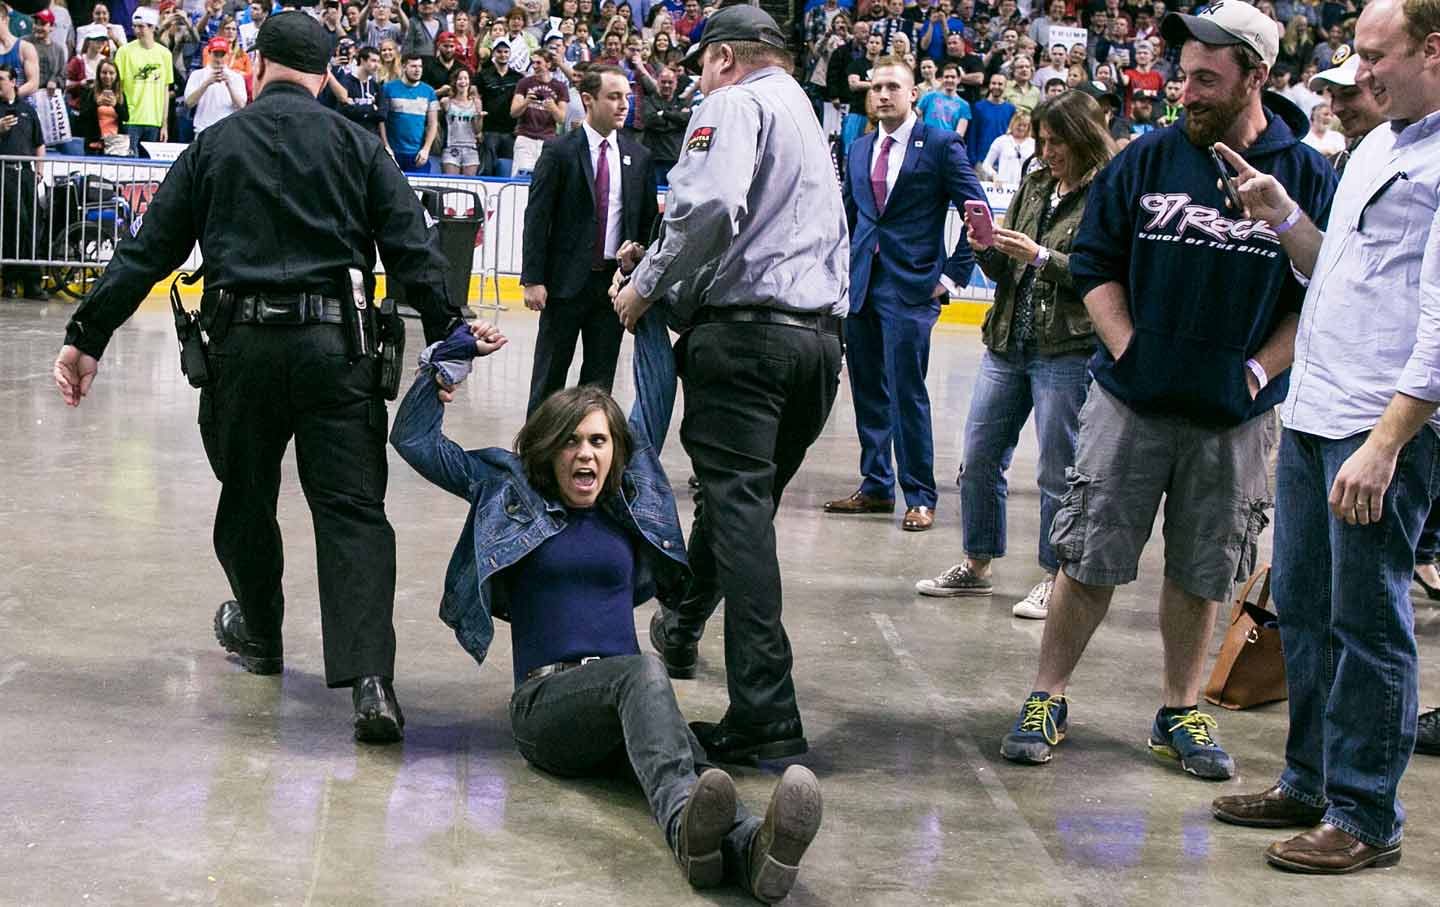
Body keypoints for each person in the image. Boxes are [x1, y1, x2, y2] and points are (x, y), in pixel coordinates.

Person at [50, 11, 466, 744]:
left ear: (258, 63)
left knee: (246, 499)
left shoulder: (214, 146)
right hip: (337, 350)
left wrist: (88, 335)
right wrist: (449, 337)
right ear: (326, 69)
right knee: (351, 510)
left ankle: (263, 636)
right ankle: (370, 681)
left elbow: (146, 252)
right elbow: (411, 246)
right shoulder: (355, 145)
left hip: (238, 349)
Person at [997, 0, 1338, 780]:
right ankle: (1047, 693)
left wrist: (1257, 371)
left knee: (1205, 569)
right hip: (1130, 403)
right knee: (1085, 557)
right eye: (1184, 77)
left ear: (1257, 76)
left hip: (1236, 417)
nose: (1187, 93)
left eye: (1207, 80)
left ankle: (1180, 708)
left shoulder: (1305, 172)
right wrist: (1128, 349)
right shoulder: (1147, 158)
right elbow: (1093, 262)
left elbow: (1316, 296)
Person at [390, 304, 822, 906]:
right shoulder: (506, 487)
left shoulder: (629, 502)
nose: (585, 454)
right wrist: (454, 355)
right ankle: (695, 835)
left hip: (624, 704)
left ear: (615, 451)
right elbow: (412, 439)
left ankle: (752, 851)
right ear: (547, 449)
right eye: (570, 442)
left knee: (686, 769)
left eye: (597, 441)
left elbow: (653, 390)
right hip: (546, 708)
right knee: (647, 676)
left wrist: (641, 306)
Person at [1207, 0, 1440, 873]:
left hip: (1378, 428)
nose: (1362, 73)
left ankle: (1367, 813)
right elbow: (1327, 270)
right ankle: (1309, 780)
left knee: (1367, 622)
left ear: (1432, 49)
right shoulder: (1380, 144)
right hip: (1313, 416)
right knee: (1303, 611)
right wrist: (1281, 215)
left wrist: (1387, 443)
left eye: (1378, 56)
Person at [617, 5, 849, 763]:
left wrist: (647, 285)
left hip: (747, 340)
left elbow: (708, 203)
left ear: (722, 58)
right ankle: (682, 622)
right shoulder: (806, 116)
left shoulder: (732, 101)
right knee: (736, 504)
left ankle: (767, 710)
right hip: (816, 343)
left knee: (741, 515)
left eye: (699, 65)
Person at [916, 90, 1114, 618]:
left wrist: (1042, 257)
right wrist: (987, 249)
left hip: (1067, 349)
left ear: (1084, 138)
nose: (1047, 152)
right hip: (1006, 340)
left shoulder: (1108, 192)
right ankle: (976, 563)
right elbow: (1007, 272)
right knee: (978, 458)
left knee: (1057, 470)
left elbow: (1105, 276)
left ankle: (1056, 576)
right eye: (1043, 141)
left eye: (1058, 143)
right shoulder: (1036, 182)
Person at [824, 56, 986, 532]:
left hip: (912, 289)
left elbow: (976, 215)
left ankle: (920, 494)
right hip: (863, 287)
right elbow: (851, 221)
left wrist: (952, 277)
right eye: (875, 88)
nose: (882, 95)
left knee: (907, 394)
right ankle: (876, 485)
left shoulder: (939, 144)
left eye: (893, 86)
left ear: (914, 93)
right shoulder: (857, 147)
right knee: (869, 391)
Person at [521, 64, 655, 412]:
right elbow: (537, 218)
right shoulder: (559, 151)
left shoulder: (639, 158)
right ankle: (535, 455)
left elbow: (646, 225)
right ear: (587, 100)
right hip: (563, 284)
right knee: (549, 376)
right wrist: (533, 279)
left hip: (612, 288)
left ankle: (587, 451)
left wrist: (639, 257)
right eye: (613, 97)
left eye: (627, 97)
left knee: (598, 383)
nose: (624, 104)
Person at [0, 62, 45, 300]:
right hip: (4, 173)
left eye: (1, 79)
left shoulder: (28, 110)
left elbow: (39, 142)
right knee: (11, 224)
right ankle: (10, 279)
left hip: (26, 173)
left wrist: (39, 168)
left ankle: (33, 281)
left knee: (31, 225)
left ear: (12, 81)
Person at [114, 7, 172, 150]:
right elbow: (118, 87)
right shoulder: (124, 52)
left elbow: (165, 91)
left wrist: (164, 124)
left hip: (154, 120)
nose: (137, 30)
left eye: (141, 26)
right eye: (134, 26)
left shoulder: (165, 54)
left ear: (152, 27)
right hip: (131, 119)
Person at [510, 47, 566, 173]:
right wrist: (526, 102)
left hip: (548, 140)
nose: (534, 66)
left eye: (538, 63)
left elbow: (561, 119)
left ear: (549, 64)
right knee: (521, 180)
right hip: (525, 138)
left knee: (545, 180)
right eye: (533, 62)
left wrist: (553, 108)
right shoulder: (524, 83)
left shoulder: (560, 87)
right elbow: (513, 113)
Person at [380, 53, 439, 172]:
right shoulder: (388, 88)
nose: (417, 70)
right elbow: (381, 120)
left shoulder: (429, 92)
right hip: (393, 152)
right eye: (413, 66)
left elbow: (433, 124)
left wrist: (426, 149)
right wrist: (386, 146)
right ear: (403, 67)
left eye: (420, 67)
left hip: (417, 154)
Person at [183, 36, 246, 132]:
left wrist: (229, 85)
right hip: (203, 129)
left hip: (227, 131)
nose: (219, 59)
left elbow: (242, 105)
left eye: (222, 54)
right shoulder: (197, 75)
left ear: (228, 55)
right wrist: (206, 84)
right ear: (209, 53)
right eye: (216, 54)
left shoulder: (236, 77)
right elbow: (189, 103)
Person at [641, 64, 689, 184]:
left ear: (676, 84)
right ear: (657, 82)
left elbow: (687, 119)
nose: (666, 85)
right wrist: (676, 121)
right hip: (654, 159)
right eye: (663, 82)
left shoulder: (682, 103)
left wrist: (664, 114)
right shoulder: (648, 101)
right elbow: (650, 120)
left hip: (675, 160)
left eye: (670, 82)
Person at [477, 38, 519, 171]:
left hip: (510, 131)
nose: (503, 55)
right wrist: (479, 129)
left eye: (506, 51)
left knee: (507, 170)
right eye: (499, 51)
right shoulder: (483, 76)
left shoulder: (518, 77)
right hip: (489, 130)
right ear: (494, 53)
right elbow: (477, 100)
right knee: (487, 169)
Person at [75, 57, 128, 154]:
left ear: (116, 75)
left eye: (111, 73)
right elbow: (82, 117)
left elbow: (126, 117)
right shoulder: (89, 92)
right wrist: (96, 104)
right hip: (95, 143)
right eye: (104, 73)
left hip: (115, 143)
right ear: (99, 74)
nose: (108, 76)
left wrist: (116, 105)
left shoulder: (120, 94)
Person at [842, 27, 882, 151]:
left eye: (877, 43)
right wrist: (876, 84)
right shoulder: (856, 64)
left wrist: (865, 84)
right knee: (851, 150)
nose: (874, 46)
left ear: (882, 46)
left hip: (878, 116)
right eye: (871, 42)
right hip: (857, 113)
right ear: (867, 44)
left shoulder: (883, 67)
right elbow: (853, 85)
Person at [439, 64, 483, 173]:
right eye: (459, 79)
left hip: (471, 148)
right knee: (451, 185)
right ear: (454, 82)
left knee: (470, 186)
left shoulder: (476, 102)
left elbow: (477, 130)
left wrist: (479, 118)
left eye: (465, 78)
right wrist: (440, 91)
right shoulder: (446, 102)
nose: (463, 81)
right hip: (451, 147)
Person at [336, 44, 388, 136]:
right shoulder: (346, 81)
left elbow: (382, 113)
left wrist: (356, 108)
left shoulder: (376, 85)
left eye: (378, 62)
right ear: (362, 60)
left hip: (371, 138)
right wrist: (372, 108)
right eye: (373, 61)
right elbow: (344, 111)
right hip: (350, 136)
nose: (377, 65)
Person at [967, 71, 1014, 164]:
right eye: (993, 83)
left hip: (1003, 159)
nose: (996, 86)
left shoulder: (1010, 109)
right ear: (989, 85)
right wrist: (973, 160)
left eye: (1000, 84)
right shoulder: (978, 107)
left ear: (1005, 86)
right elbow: (972, 135)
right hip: (982, 159)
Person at [0, 1, 41, 102]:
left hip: (22, 107)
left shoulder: (25, 48)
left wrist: (11, 95)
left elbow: (33, 83)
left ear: (5, 20)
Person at [916, 59, 968, 135]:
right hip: (927, 141)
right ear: (942, 79)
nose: (949, 80)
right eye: (946, 77)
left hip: (947, 143)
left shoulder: (964, 105)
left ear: (959, 79)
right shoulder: (929, 96)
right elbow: (914, 116)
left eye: (953, 77)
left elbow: (959, 134)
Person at [981, 106, 1032, 182]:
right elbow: (986, 164)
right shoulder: (1001, 140)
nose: (1021, 128)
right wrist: (994, 175)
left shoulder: (1033, 144)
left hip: (1024, 188)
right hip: (1004, 188)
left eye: (1025, 126)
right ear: (1013, 123)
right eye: (1019, 125)